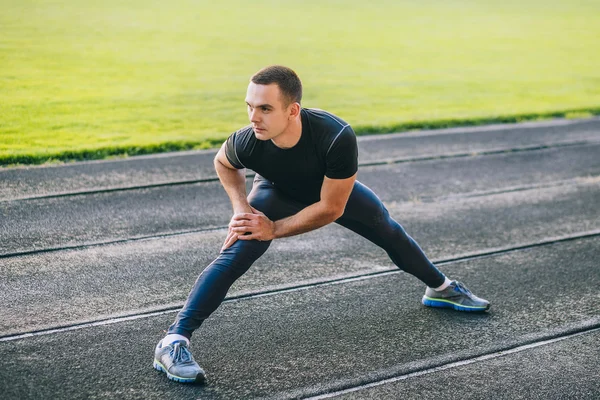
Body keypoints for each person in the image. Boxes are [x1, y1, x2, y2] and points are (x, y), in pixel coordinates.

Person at [153, 65, 490, 384]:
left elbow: (331, 207)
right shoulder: (248, 139)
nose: (254, 117)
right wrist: (242, 210)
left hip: (329, 192)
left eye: (266, 108)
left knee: (388, 230)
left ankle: (441, 288)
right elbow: (223, 163)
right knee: (236, 251)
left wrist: (275, 229)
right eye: (249, 106)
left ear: (292, 110)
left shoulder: (335, 136)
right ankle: (173, 341)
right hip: (275, 191)